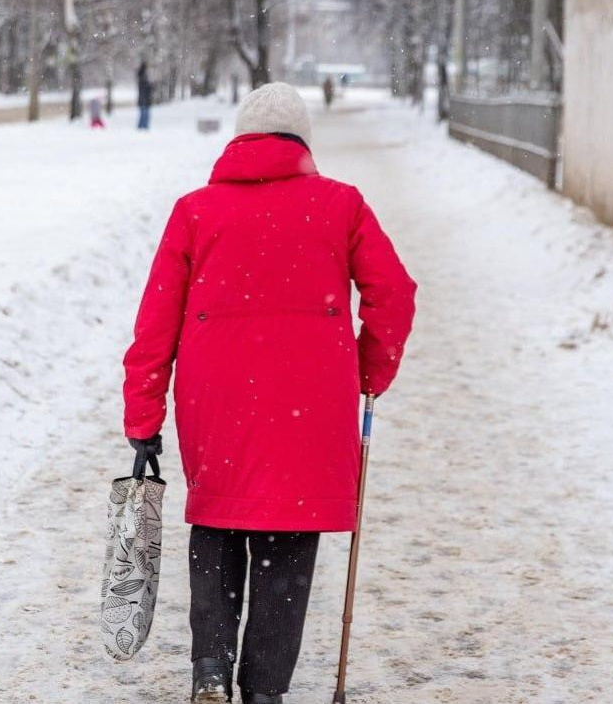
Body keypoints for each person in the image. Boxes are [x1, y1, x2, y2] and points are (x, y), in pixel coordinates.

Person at [122, 83, 416, 704]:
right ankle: (264, 690)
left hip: (216, 402)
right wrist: (368, 373)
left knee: (219, 521)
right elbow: (395, 293)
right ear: (302, 142)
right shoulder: (340, 205)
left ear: (239, 139)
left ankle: (210, 670)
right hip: (309, 409)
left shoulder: (196, 211)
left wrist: (143, 419)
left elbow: (154, 325)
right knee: (287, 537)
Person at [136, 61, 153, 130]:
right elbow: (147, 88)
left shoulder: (141, 77)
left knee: (144, 114)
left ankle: (141, 127)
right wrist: (151, 86)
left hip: (143, 100)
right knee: (145, 115)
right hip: (144, 100)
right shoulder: (143, 78)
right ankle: (143, 127)